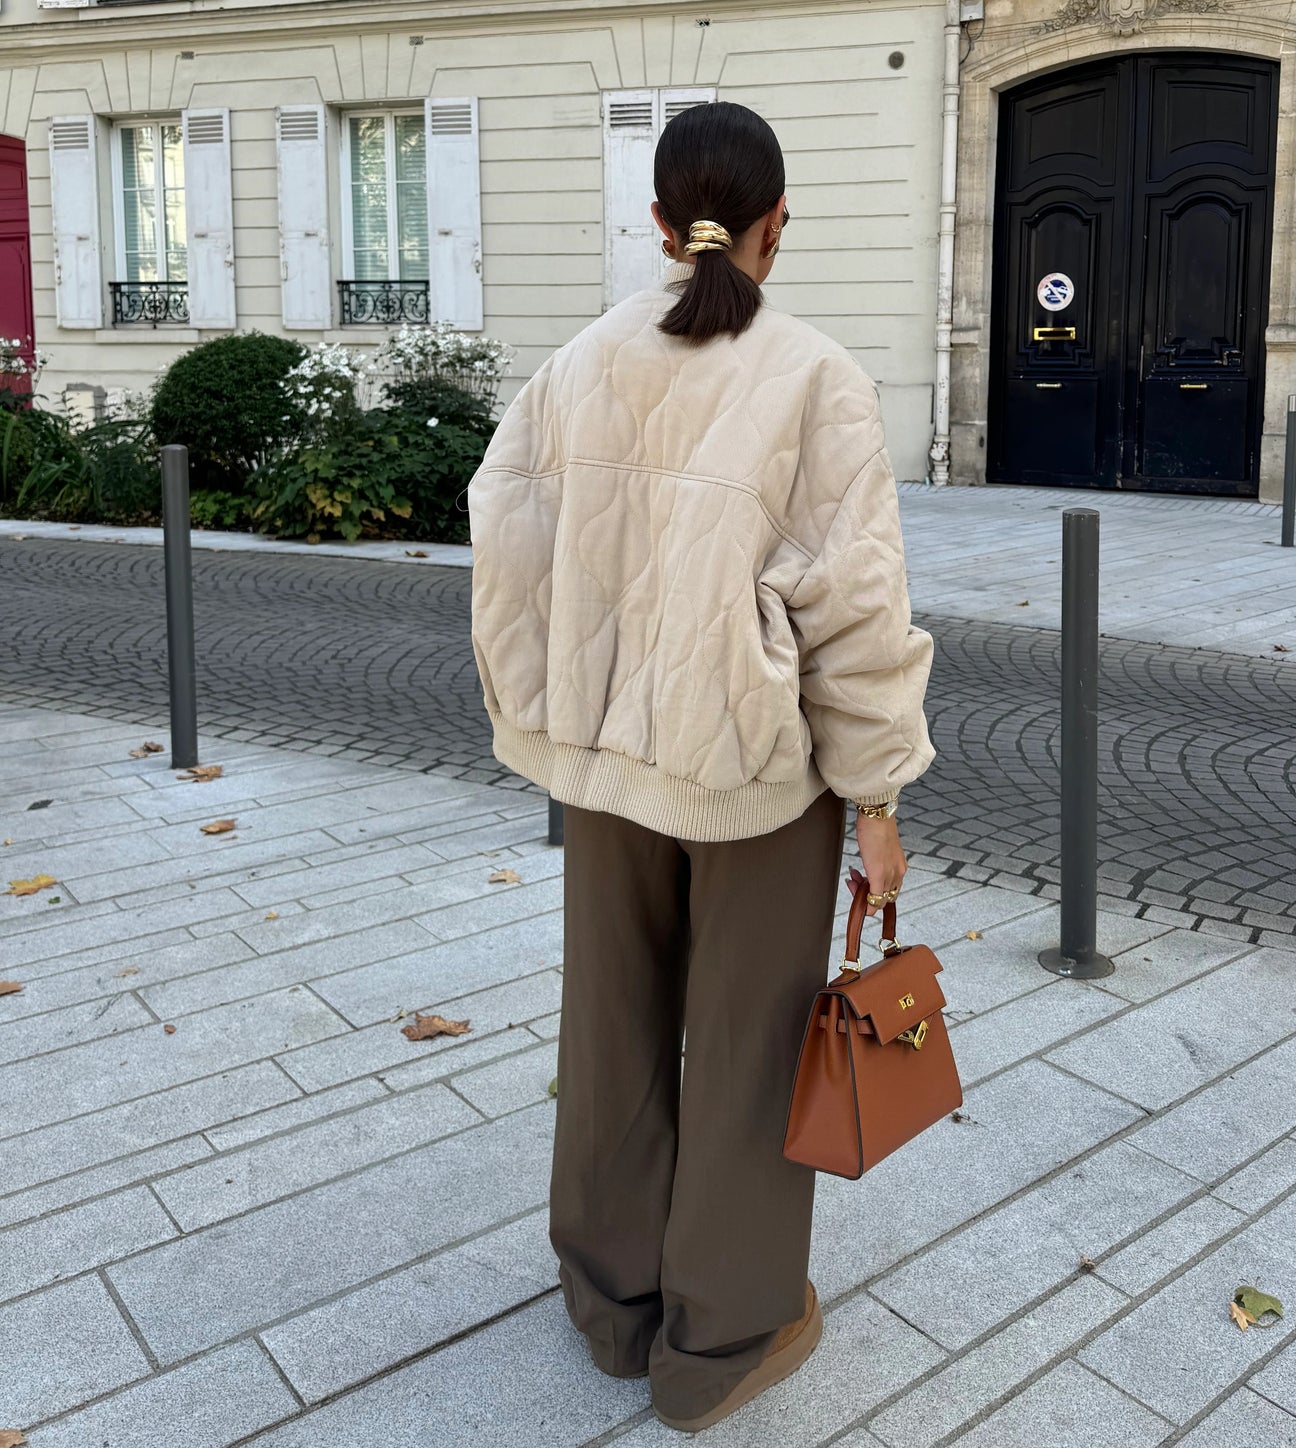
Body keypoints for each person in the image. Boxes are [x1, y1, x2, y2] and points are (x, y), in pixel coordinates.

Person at [467, 100, 934, 1433]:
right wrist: (879, 797)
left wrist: (543, 717)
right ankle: (716, 1342)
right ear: (776, 224)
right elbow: (854, 606)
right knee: (744, 1049)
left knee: (610, 1028)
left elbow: (503, 555)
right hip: (747, 782)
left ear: (660, 225)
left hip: (605, 774)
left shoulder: (576, 364)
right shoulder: (814, 376)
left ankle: (609, 1306)